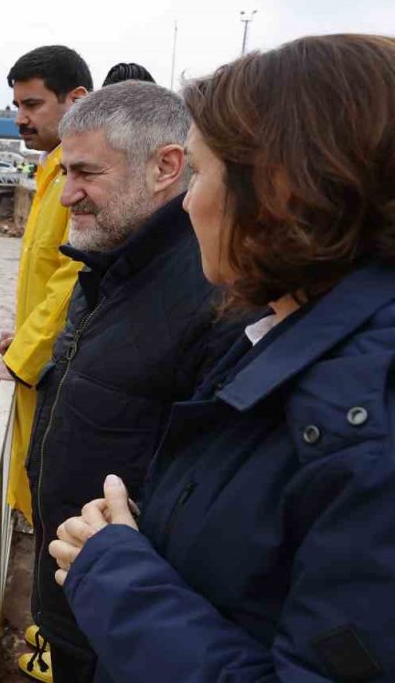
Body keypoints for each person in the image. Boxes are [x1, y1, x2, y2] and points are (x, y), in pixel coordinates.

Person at [51, 35, 395, 682]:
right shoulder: (280, 337)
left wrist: (113, 571)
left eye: (203, 175)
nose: (188, 201)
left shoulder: (366, 421)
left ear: (282, 191)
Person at [21, 81, 246, 683]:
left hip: (126, 635)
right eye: (64, 172)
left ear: (166, 167)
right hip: (81, 600)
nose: (67, 194)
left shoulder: (215, 299)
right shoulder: (103, 269)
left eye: (87, 174)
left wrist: (118, 586)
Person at [0, 45, 92, 524]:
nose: (20, 119)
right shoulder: (50, 170)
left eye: (32, 105)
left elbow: (75, 276)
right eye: (17, 107)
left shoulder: (79, 178)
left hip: (52, 377)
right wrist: (22, 335)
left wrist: (21, 358)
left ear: (77, 100)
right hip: (43, 366)